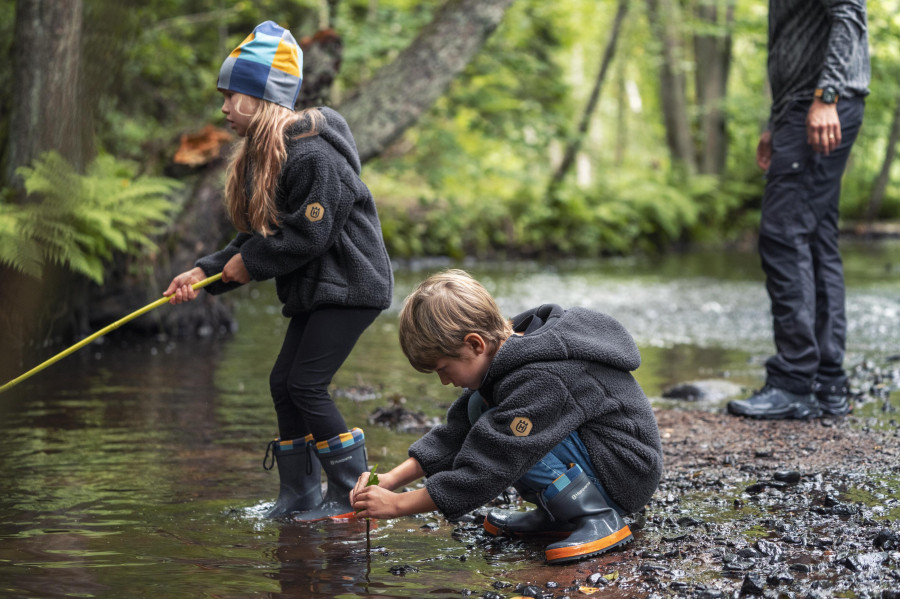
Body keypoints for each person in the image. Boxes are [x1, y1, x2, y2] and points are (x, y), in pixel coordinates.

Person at [164, 21, 393, 520]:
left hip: (353, 286)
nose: (224, 108)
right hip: (319, 289)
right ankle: (299, 496)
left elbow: (309, 234)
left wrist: (248, 264)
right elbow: (263, 235)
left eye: (233, 95)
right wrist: (204, 275)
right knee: (282, 382)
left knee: (306, 385)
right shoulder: (271, 154)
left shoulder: (313, 154)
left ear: (262, 97)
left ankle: (354, 496)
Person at [350, 270, 662, 564]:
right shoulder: (506, 358)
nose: (444, 381)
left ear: (475, 343)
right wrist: (390, 480)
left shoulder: (541, 377)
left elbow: (492, 463)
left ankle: (596, 516)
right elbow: (456, 433)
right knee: (476, 410)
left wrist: (398, 505)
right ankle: (557, 514)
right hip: (598, 459)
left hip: (624, 475)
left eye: (444, 369)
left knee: (508, 439)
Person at [727, 0, 870, 420]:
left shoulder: (826, 96)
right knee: (817, 238)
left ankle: (794, 380)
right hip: (802, 107)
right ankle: (827, 382)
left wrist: (827, 96)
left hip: (821, 103)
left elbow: (849, 13)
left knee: (783, 235)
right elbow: (794, 43)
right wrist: (776, 122)